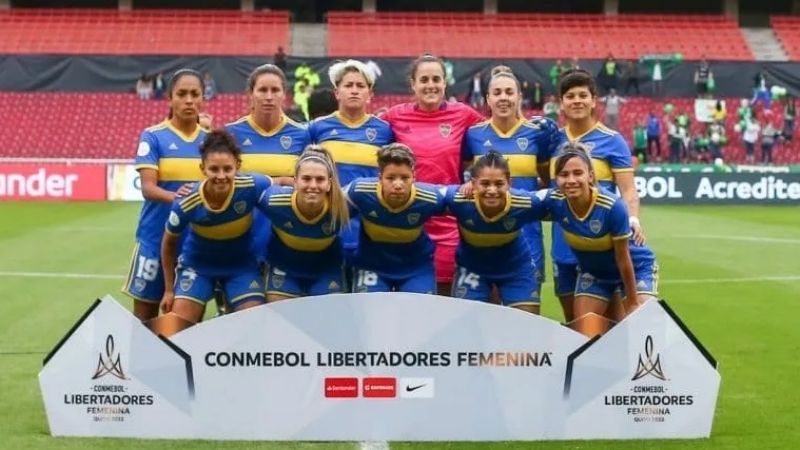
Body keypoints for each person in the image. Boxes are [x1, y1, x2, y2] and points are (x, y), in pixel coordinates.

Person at [542, 69, 644, 324]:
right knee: (575, 325)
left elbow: (628, 190)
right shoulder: (552, 140)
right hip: (564, 245)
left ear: (593, 100)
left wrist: (633, 219)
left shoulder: (612, 140)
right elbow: (548, 184)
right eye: (570, 96)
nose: (576, 100)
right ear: (561, 102)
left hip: (602, 246)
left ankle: (619, 363)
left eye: (582, 95)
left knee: (613, 323)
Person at [381, 54, 484, 295]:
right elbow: (366, 136)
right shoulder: (394, 117)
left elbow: (494, 139)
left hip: (448, 222)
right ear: (413, 84)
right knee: (408, 297)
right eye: (424, 79)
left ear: (445, 83)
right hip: (407, 222)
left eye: (436, 79)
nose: (430, 85)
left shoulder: (464, 115)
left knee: (445, 297)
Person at [540, 143, 658, 335]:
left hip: (635, 267)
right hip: (595, 272)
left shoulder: (612, 206)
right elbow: (522, 201)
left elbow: (623, 258)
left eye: (578, 173)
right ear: (556, 179)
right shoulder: (555, 203)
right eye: (564, 175)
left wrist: (633, 302)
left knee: (640, 331)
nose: (571, 180)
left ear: (591, 176)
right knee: (583, 336)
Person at [122, 69, 207, 321]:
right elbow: (148, 188)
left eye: (195, 94)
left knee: (186, 323)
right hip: (154, 238)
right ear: (170, 98)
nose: (189, 100)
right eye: (182, 94)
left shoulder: (212, 141)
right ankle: (142, 361)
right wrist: (179, 199)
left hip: (195, 243)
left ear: (203, 98)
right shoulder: (154, 136)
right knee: (145, 319)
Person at [159, 131, 270, 323]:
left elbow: (281, 181)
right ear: (203, 168)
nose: (221, 176)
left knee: (255, 327)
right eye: (214, 169)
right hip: (198, 267)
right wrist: (169, 290)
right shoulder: (187, 202)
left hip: (241, 267)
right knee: (177, 329)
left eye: (227, 169)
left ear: (238, 166)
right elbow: (168, 246)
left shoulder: (252, 185)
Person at [463, 67, 550, 299]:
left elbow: (549, 181)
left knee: (525, 318)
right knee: (487, 316)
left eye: (509, 92)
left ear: (519, 97)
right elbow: (463, 177)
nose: (504, 97)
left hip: (528, 235)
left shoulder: (537, 135)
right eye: (498, 92)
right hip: (484, 237)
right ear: (488, 98)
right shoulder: (473, 135)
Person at [309, 59, 394, 283]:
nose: (354, 90)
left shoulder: (385, 131)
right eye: (348, 85)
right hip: (329, 228)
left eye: (360, 85)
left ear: (370, 93)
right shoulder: (317, 128)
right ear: (337, 92)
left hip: (370, 232)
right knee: (330, 304)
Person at [226, 64, 311, 265]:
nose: (269, 96)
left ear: (284, 94)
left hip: (287, 235)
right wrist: (279, 180)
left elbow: (307, 182)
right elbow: (225, 182)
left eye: (275, 90)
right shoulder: (231, 133)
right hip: (242, 234)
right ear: (251, 93)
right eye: (262, 90)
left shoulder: (301, 134)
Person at [444, 152, 543, 314]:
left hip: (516, 268)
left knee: (526, 327)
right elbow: (423, 197)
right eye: (485, 183)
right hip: (472, 268)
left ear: (509, 183)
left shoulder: (525, 202)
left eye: (499, 184)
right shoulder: (458, 199)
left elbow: (556, 202)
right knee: (465, 327)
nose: (492, 190)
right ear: (473, 183)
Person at [345, 144, 445, 294]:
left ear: (414, 177)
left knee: (422, 315)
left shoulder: (430, 197)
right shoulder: (359, 191)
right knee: (370, 315)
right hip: (371, 266)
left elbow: (460, 198)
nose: (398, 185)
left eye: (405, 178)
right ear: (380, 178)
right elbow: (328, 203)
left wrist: (471, 185)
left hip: (416, 268)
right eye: (390, 178)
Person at [260, 146, 350, 301]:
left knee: (330, 321)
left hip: (327, 270)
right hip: (284, 269)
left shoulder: (343, 205)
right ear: (295, 181)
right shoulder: (273, 201)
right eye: (306, 179)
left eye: (320, 179)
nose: (313, 186)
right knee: (279, 322)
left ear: (329, 183)